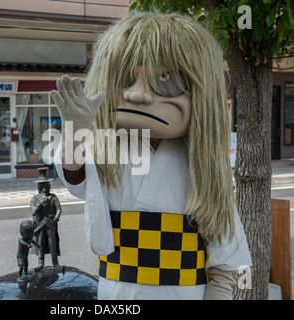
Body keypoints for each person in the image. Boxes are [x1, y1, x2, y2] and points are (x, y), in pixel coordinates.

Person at [51, 12, 251, 300]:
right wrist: (75, 132)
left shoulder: (203, 169)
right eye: (125, 78)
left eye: (166, 80)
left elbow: (229, 265)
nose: (137, 95)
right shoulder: (110, 148)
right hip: (117, 293)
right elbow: (76, 177)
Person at [30, 167, 63, 271]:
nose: (45, 189)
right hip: (40, 225)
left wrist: (56, 218)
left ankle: (55, 263)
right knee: (40, 243)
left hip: (51, 224)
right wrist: (40, 204)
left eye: (46, 186)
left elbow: (58, 208)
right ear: (39, 187)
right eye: (43, 186)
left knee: (52, 243)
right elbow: (33, 211)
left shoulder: (53, 198)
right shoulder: (35, 199)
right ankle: (40, 263)